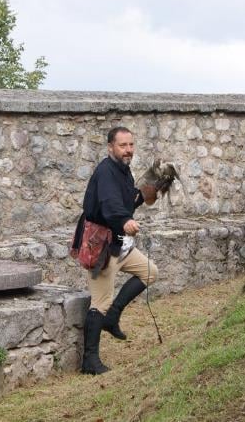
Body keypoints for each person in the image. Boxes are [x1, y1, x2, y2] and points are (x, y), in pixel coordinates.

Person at [78, 126, 158, 375]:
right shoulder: (105, 172)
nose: (128, 150)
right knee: (100, 301)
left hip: (118, 242)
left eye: (131, 145)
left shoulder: (123, 171)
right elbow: (110, 204)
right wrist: (124, 220)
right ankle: (90, 361)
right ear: (110, 147)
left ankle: (112, 318)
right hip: (100, 245)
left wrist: (149, 190)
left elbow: (127, 199)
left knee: (149, 272)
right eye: (123, 146)